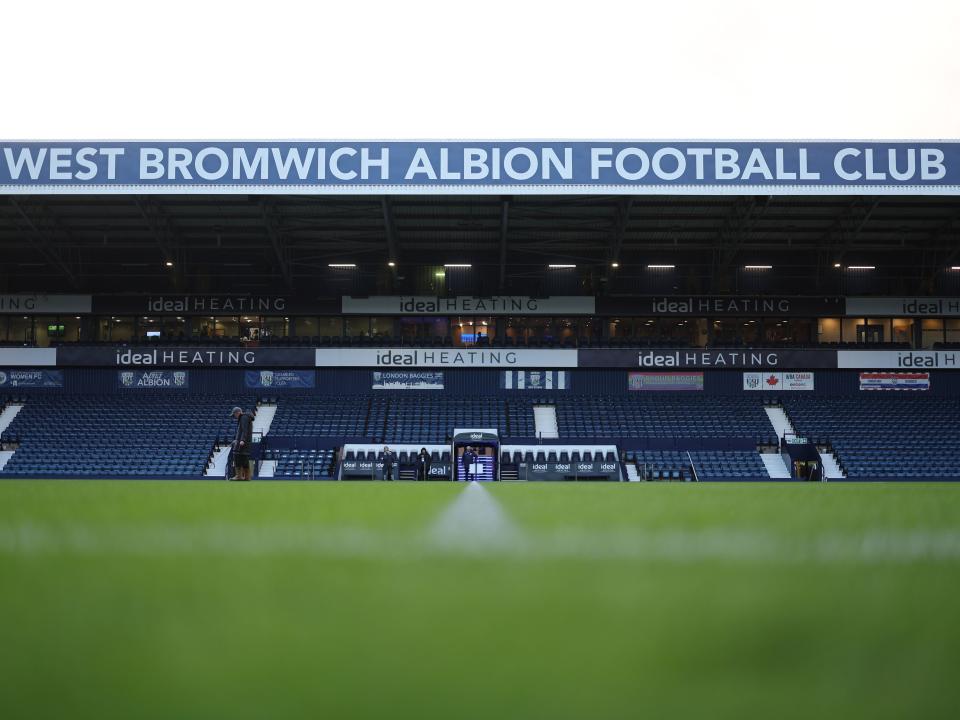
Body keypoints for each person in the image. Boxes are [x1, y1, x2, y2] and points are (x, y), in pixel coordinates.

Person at [229, 406, 254, 481]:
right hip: (242, 441)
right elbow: (242, 431)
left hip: (243, 442)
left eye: (234, 415)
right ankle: (247, 477)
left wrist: (242, 440)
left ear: (238, 412)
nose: (235, 417)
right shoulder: (245, 418)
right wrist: (236, 439)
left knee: (237, 456)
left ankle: (239, 476)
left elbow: (244, 430)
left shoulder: (243, 418)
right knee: (244, 458)